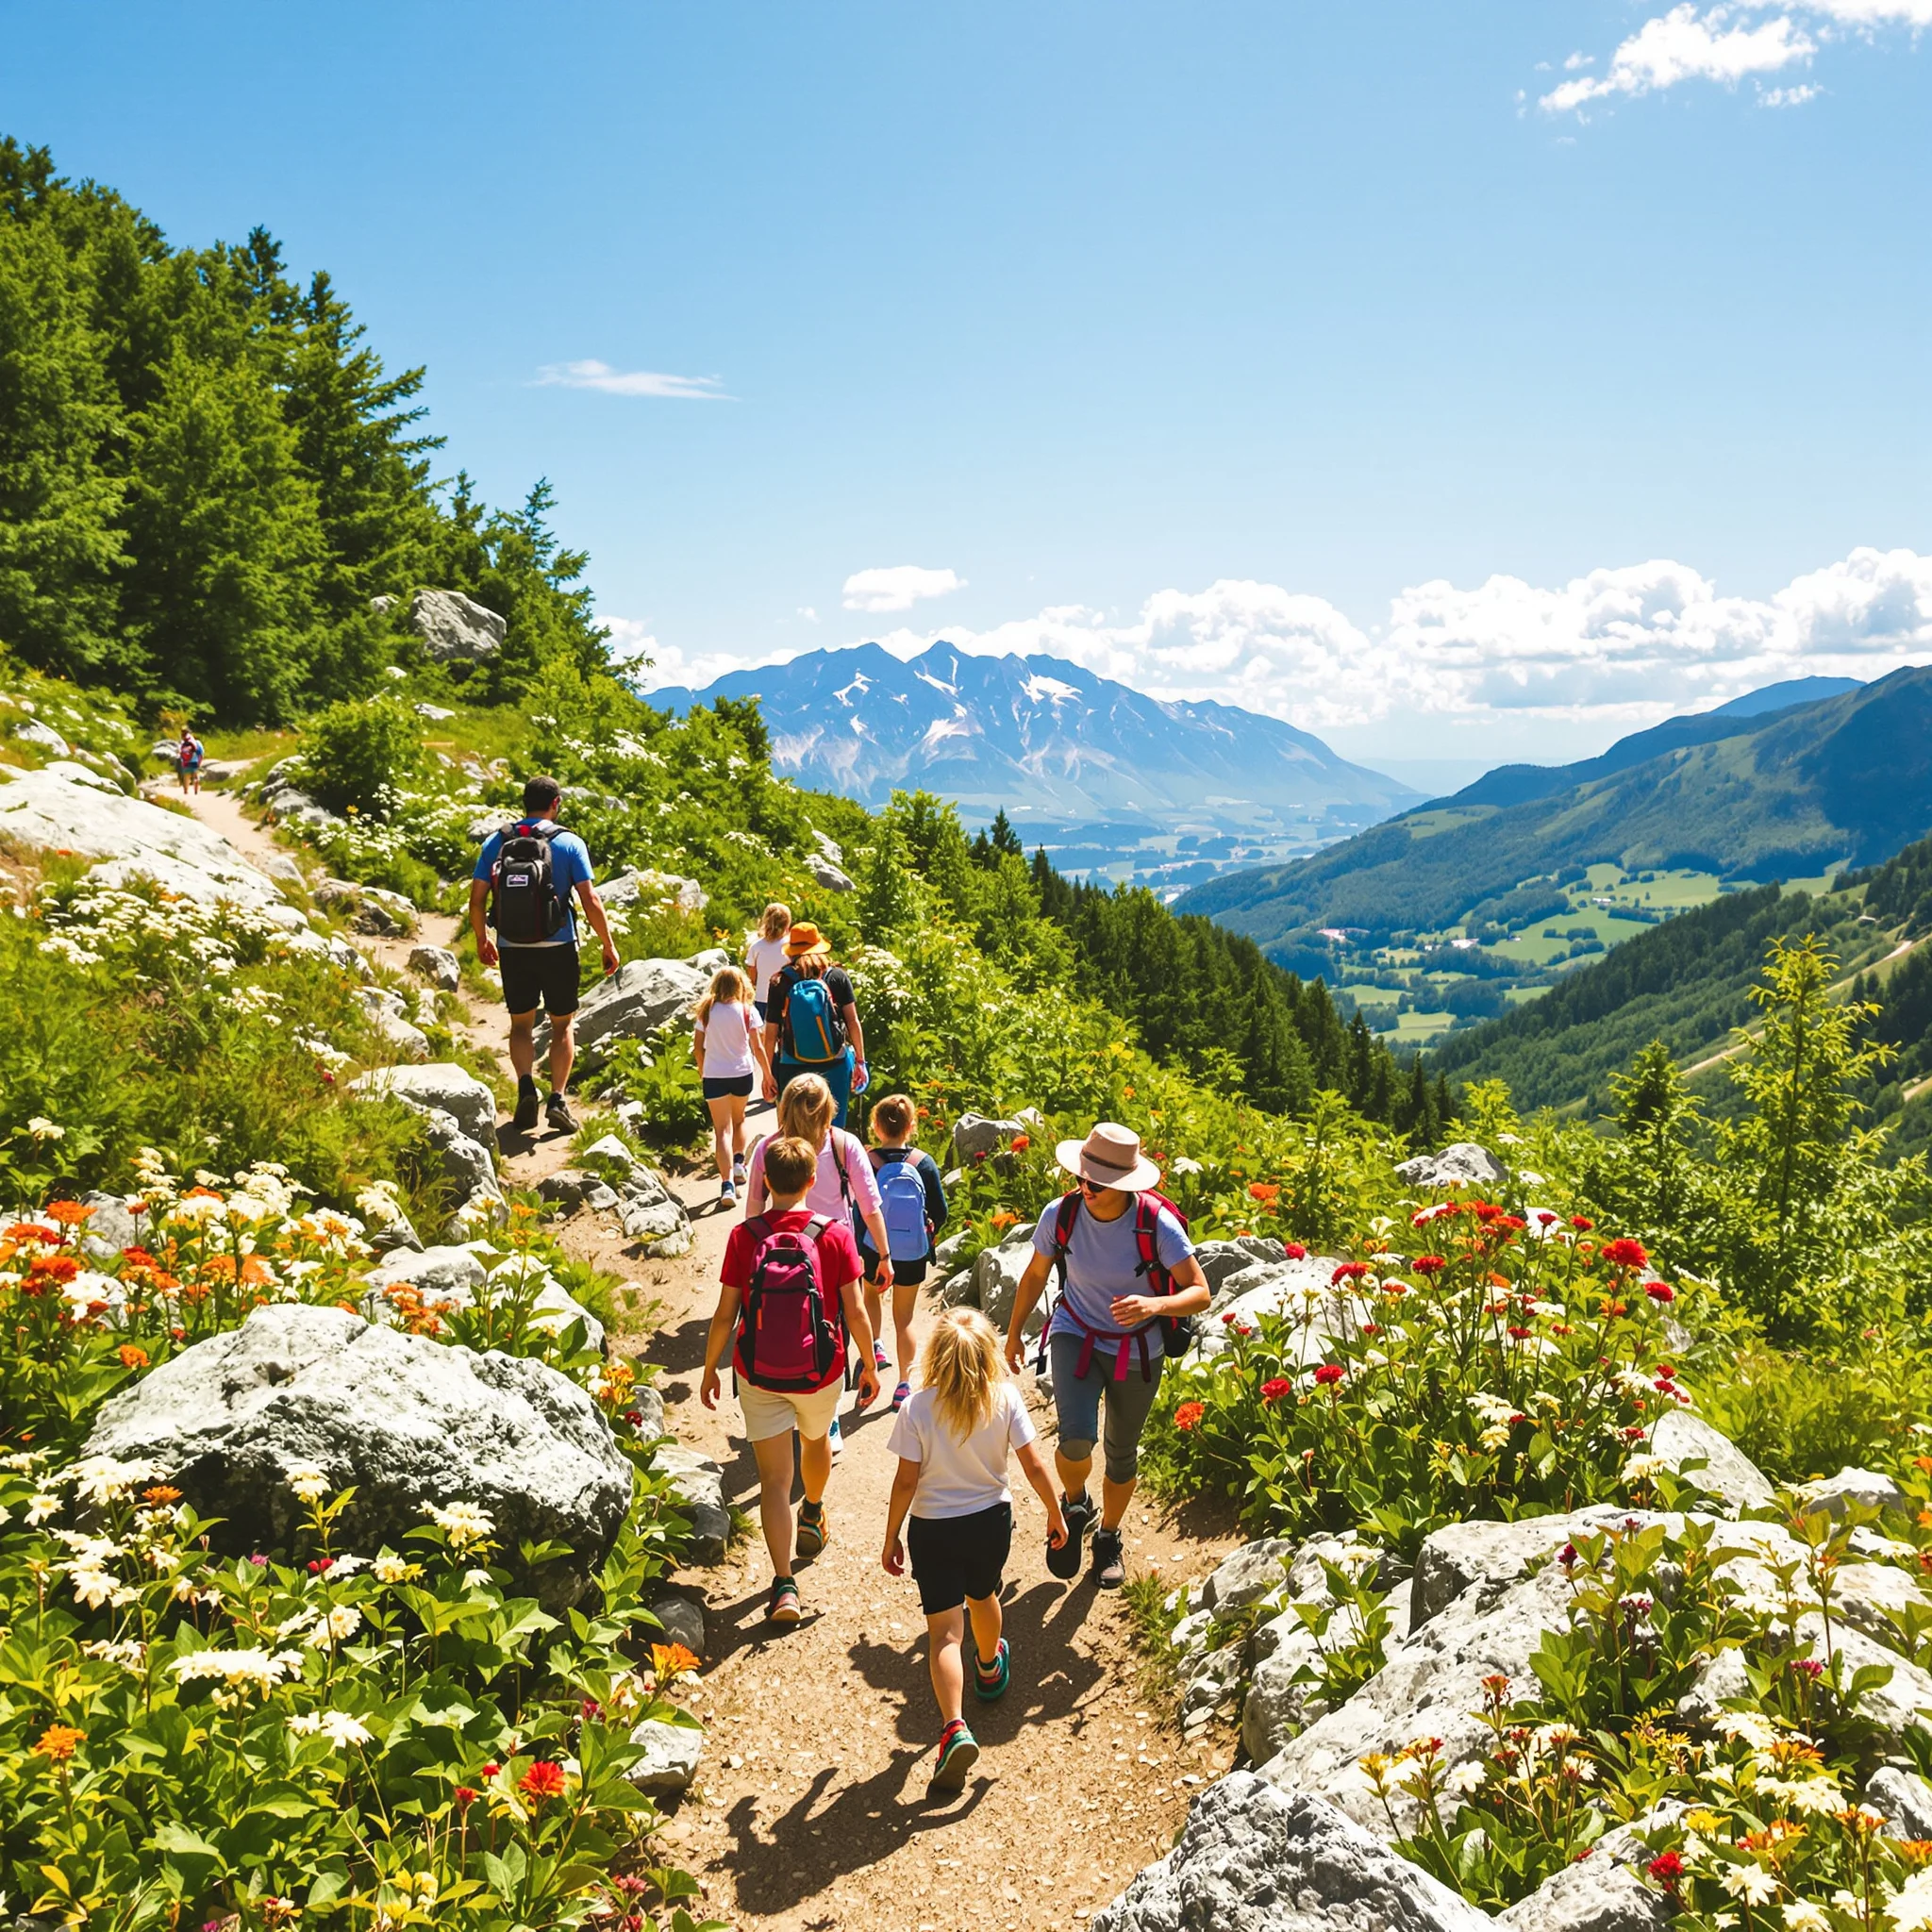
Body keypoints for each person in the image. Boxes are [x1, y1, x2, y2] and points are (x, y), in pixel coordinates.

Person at [1002, 1123, 1210, 1591]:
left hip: (1138, 1348)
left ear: (1122, 1184)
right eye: (1081, 1177)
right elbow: (1035, 1276)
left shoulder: (1157, 1224)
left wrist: (1154, 1305)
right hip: (1075, 1332)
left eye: (1095, 1182)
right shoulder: (1061, 1214)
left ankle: (1109, 1538)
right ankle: (1076, 1505)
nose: (1084, 1188)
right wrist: (1014, 1334)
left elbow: (1201, 1293)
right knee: (1074, 1440)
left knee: (1121, 1455)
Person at [883, 1307, 1067, 1792]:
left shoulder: (916, 1408)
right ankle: (988, 1666)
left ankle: (954, 1728)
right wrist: (1055, 1510)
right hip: (990, 1523)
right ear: (989, 1355)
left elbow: (905, 1482)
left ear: (934, 1357)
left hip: (932, 1530)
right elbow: (1033, 1463)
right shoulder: (1004, 1398)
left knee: (944, 1632)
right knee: (984, 1596)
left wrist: (891, 1536)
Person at [702, 1133, 879, 1624]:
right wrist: (868, 1362)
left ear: (763, 1179)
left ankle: (783, 1585)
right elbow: (856, 1310)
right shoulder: (835, 1235)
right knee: (816, 1439)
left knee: (774, 1480)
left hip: (758, 1372)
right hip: (819, 1371)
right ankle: (815, 1509)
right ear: (812, 1179)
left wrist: (709, 1370)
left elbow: (724, 1314)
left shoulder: (744, 1236)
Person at [743, 1074, 895, 1452]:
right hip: (833, 1250)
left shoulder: (768, 1147)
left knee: (786, 1318)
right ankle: (826, 1416)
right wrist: (885, 1254)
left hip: (780, 1248)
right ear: (828, 1108)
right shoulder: (843, 1144)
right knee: (835, 1329)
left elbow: (753, 1210)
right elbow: (869, 1205)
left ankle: (788, 1401)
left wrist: (751, 1260)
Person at [469, 775, 620, 1135]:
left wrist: (481, 939)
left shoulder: (497, 841)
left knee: (521, 1024)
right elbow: (590, 900)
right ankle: (557, 1099)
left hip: (512, 947)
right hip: (559, 946)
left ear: (525, 803)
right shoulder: (568, 842)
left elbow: (477, 900)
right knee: (562, 1024)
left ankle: (525, 1086)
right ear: (556, 804)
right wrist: (608, 943)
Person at [859, 1092, 949, 1413]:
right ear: (912, 1127)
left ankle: (874, 1348)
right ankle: (904, 1382)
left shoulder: (868, 1160)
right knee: (905, 1317)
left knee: (870, 1295)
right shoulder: (923, 1163)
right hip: (911, 1251)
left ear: (876, 1126)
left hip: (874, 1247)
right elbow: (940, 1211)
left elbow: (860, 1209)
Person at [761, 923, 870, 1128]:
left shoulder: (779, 981)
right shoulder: (837, 977)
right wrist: (860, 1061)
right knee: (833, 1127)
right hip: (834, 1063)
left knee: (792, 1130)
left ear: (791, 952)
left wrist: (768, 1075)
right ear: (819, 946)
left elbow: (771, 1032)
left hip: (792, 1064)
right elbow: (853, 1021)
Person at [691, 964, 771, 1207]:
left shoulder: (706, 1011)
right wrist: (768, 1074)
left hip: (714, 1075)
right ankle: (739, 1164)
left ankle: (727, 1185)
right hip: (741, 1074)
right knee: (739, 1120)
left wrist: (703, 1069)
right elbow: (757, 1047)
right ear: (740, 985)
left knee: (721, 1130)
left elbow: (697, 1047)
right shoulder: (748, 1011)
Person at [746, 902, 792, 1022]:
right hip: (786, 1000)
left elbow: (752, 977)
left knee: (762, 1037)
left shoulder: (756, 946)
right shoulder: (791, 946)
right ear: (787, 923)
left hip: (761, 998)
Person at [176, 728, 204, 795]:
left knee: (186, 777)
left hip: (186, 761)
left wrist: (183, 760)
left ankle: (186, 791)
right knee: (195, 776)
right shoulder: (197, 742)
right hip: (195, 761)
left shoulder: (183, 743)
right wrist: (199, 761)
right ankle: (196, 790)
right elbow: (201, 753)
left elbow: (180, 753)